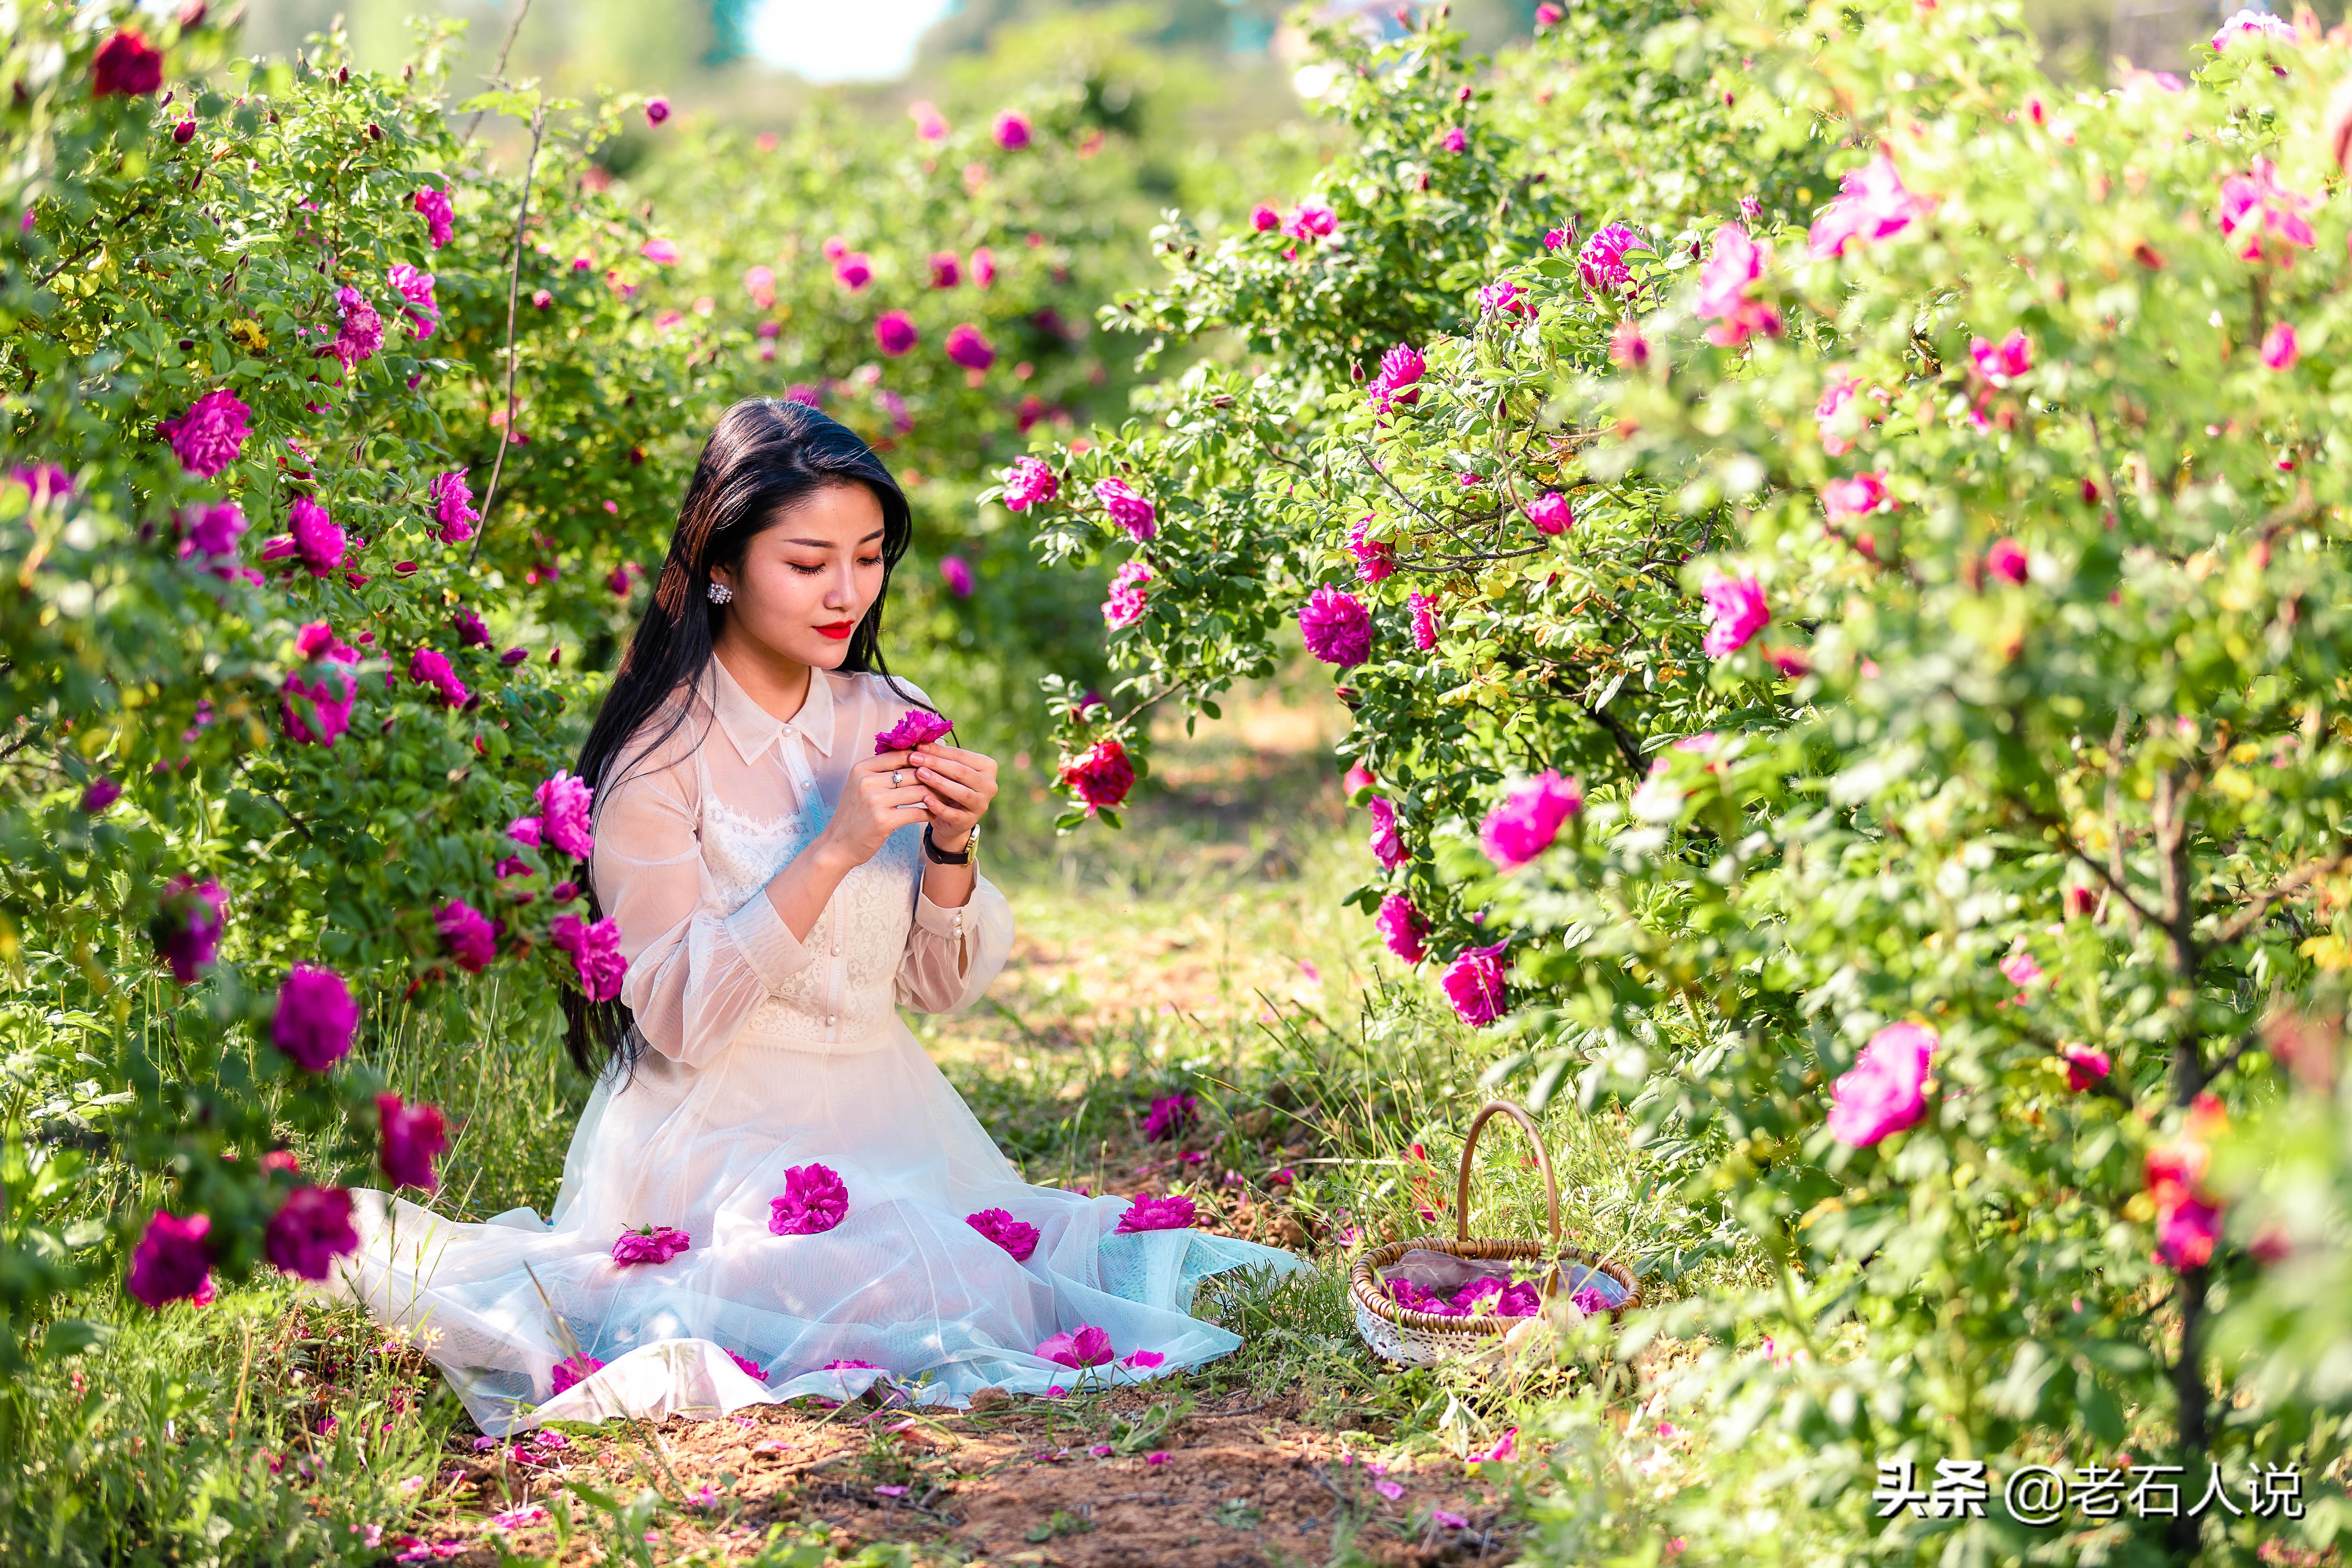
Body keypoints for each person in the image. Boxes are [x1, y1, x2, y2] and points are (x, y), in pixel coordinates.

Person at [334, 399, 1301, 1434]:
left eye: (871, 557)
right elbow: (677, 1018)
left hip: (894, 1117)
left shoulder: (893, 713)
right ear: (721, 564)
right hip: (717, 1138)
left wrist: (952, 849)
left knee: (1015, 1284)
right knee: (899, 1293)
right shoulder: (657, 762)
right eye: (808, 564)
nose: (848, 593)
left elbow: (941, 989)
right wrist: (832, 852)